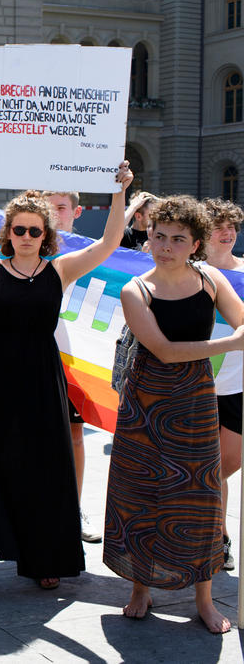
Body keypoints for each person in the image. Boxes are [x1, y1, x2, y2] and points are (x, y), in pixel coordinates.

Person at [0, 160, 132, 589]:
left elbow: (110, 241)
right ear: (7, 233)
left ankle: (46, 556)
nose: (26, 238)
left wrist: (119, 192)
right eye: (19, 230)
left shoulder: (60, 271)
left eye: (35, 231)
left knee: (46, 467)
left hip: (43, 381)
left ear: (47, 236)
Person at [104, 195, 244, 634]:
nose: (165, 246)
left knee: (201, 497)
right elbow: (163, 352)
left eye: (177, 239)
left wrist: (235, 336)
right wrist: (229, 344)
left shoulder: (210, 278)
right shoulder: (135, 289)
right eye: (158, 236)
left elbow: (242, 320)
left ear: (196, 243)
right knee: (141, 491)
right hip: (146, 401)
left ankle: (203, 599)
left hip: (197, 400)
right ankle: (139, 588)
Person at [43, 190, 99, 544]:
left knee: (75, 436)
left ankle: (74, 509)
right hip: (34, 359)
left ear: (76, 212)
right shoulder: (24, 243)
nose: (53, 213)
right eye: (46, 205)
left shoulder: (93, 253)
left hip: (75, 363)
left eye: (60, 207)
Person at [202, 197, 244, 572]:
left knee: (226, 465)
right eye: (219, 226)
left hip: (238, 386)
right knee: (209, 466)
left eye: (232, 226)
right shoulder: (189, 272)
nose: (227, 232)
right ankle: (219, 538)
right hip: (197, 386)